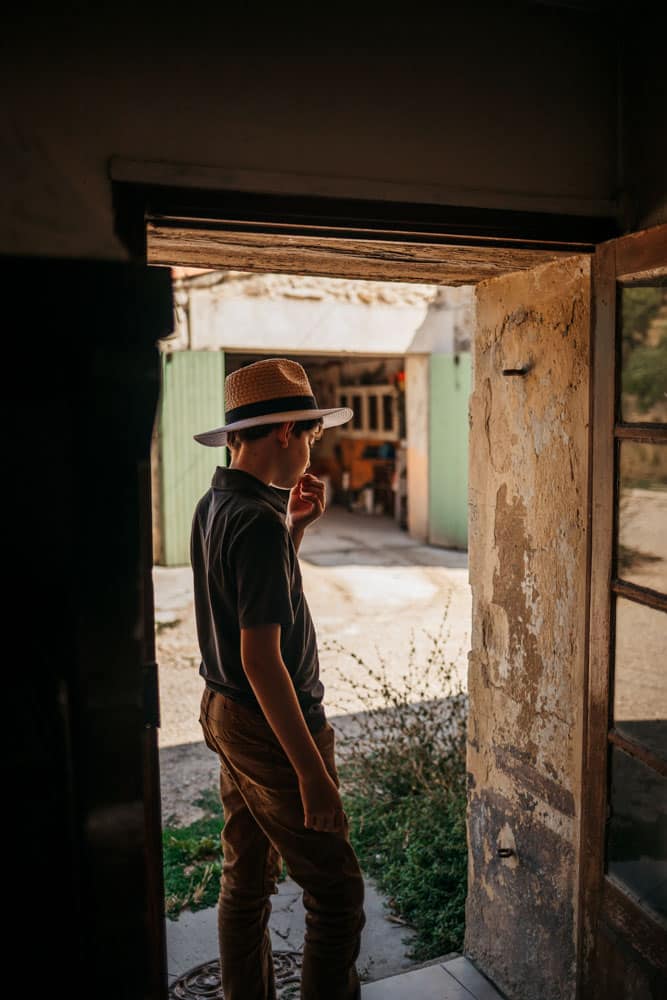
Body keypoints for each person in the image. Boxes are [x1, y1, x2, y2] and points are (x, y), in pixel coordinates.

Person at [190, 357, 366, 1000]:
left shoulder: (218, 503)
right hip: (267, 725)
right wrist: (313, 776)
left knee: (247, 874)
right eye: (312, 435)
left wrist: (295, 531)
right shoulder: (256, 521)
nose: (313, 449)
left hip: (224, 711)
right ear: (285, 433)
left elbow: (248, 606)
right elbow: (262, 661)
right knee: (338, 894)